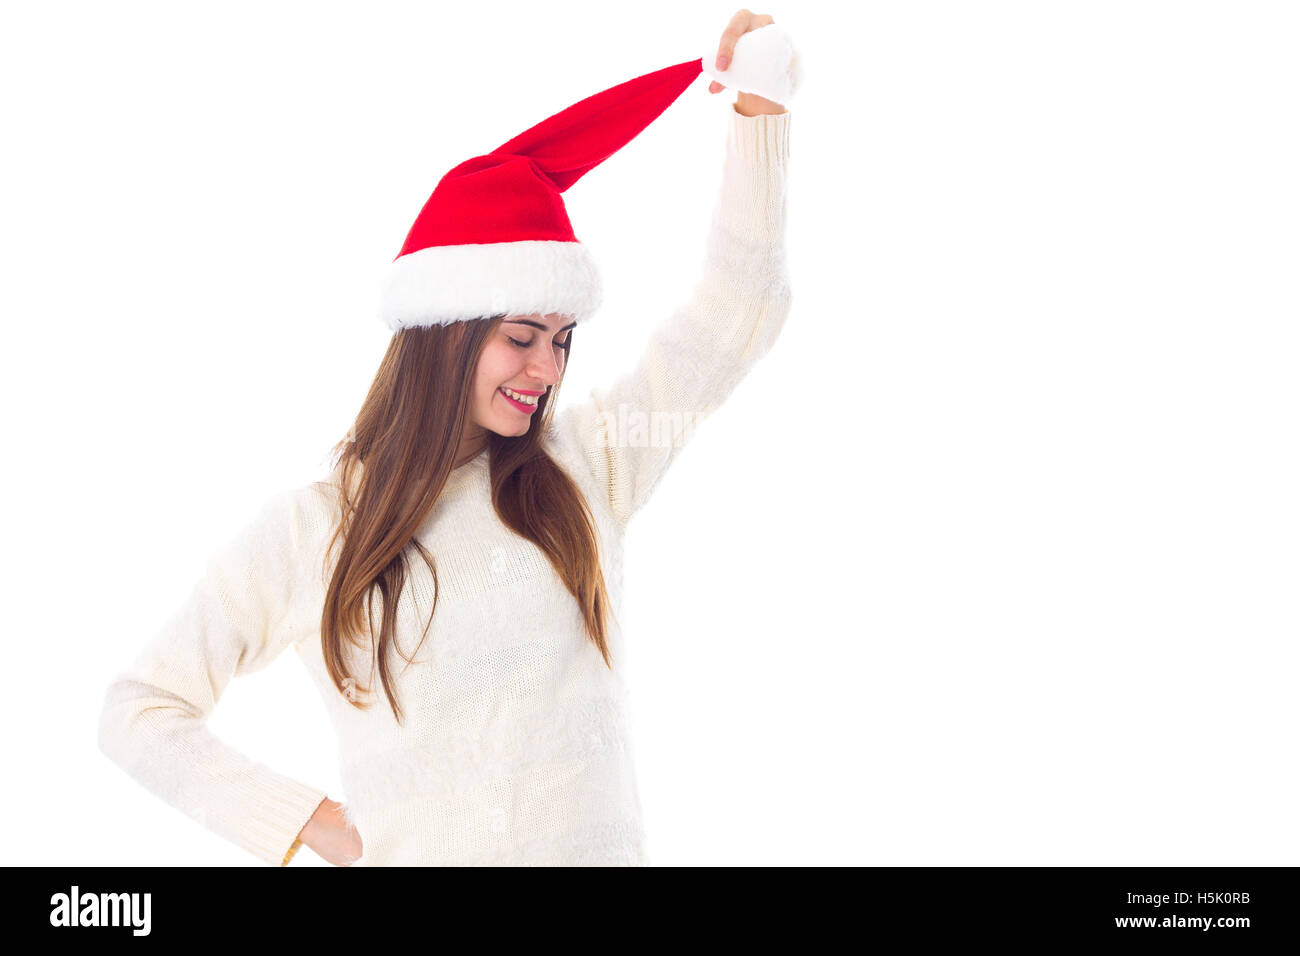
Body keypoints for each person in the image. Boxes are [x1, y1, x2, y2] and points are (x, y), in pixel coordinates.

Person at [97, 10, 798, 866]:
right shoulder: (316, 531)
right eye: (521, 335)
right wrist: (309, 821)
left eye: (563, 339)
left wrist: (760, 104)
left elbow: (740, 309)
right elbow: (140, 711)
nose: (546, 368)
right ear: (446, 329)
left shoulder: (587, 468)